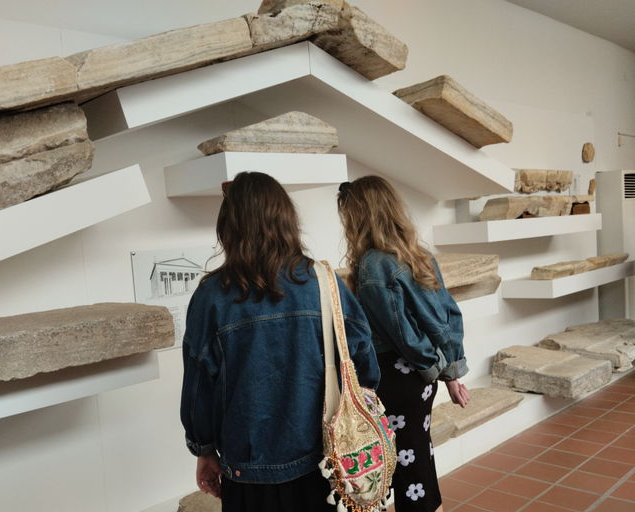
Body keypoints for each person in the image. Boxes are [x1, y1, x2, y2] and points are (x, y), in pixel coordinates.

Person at [180, 171, 381, 512]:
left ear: (229, 226)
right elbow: (363, 361)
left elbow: (199, 384)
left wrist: (204, 448)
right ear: (287, 220)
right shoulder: (323, 280)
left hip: (248, 467)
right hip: (325, 458)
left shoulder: (212, 296)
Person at [336, 175, 470, 512]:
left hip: (396, 379)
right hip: (421, 382)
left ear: (359, 216)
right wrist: (449, 372)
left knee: (407, 472)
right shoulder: (416, 255)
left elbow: (404, 336)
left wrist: (433, 366)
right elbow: (448, 315)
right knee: (418, 460)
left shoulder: (372, 265)